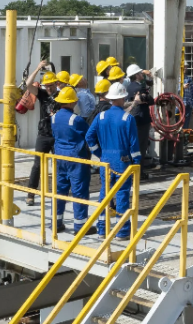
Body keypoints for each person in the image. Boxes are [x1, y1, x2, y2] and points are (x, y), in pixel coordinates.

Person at [86, 82, 141, 238]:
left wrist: (99, 153)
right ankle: (122, 231)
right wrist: (136, 164)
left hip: (106, 161)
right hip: (123, 161)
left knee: (105, 193)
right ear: (123, 97)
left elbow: (89, 137)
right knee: (122, 194)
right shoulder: (127, 118)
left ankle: (102, 229)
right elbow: (134, 146)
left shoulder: (101, 116)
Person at [52, 86, 94, 235]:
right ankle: (80, 226)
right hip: (76, 158)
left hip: (59, 157)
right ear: (71, 103)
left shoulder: (54, 117)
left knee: (60, 190)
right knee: (79, 191)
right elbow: (89, 134)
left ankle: (56, 223)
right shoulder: (75, 119)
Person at [25, 64, 59, 206]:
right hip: (44, 134)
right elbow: (28, 84)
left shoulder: (62, 95)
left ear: (56, 84)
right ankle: (31, 194)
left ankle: (59, 194)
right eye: (46, 86)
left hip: (57, 135)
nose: (48, 88)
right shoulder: (43, 94)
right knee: (37, 165)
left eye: (51, 85)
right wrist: (38, 68)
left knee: (59, 165)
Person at [124, 64, 153, 168]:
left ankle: (132, 169)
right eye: (140, 73)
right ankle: (138, 171)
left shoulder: (129, 87)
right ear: (136, 75)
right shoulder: (139, 88)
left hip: (133, 119)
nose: (142, 74)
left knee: (133, 144)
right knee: (141, 146)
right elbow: (150, 100)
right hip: (141, 120)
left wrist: (150, 79)